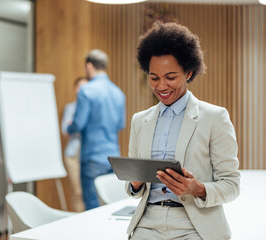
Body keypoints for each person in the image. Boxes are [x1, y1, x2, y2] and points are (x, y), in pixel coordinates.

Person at [125, 22, 240, 240]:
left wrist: (198, 189)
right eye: (154, 77)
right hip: (147, 224)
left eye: (170, 77)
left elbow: (231, 185)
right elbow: (133, 188)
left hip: (195, 224)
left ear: (188, 72)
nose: (161, 86)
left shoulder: (215, 117)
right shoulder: (140, 121)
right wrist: (135, 183)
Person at [67, 49, 126, 210]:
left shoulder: (86, 90)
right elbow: (121, 124)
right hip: (112, 158)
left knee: (92, 208)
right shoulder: (118, 93)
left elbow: (78, 124)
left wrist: (68, 127)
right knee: (110, 206)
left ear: (89, 66)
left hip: (92, 158)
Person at [61, 77, 88, 212]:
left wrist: (76, 127)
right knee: (77, 192)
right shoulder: (70, 107)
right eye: (79, 87)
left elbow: (79, 128)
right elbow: (65, 130)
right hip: (72, 154)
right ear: (75, 89)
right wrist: (78, 128)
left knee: (88, 192)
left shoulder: (91, 107)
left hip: (87, 154)